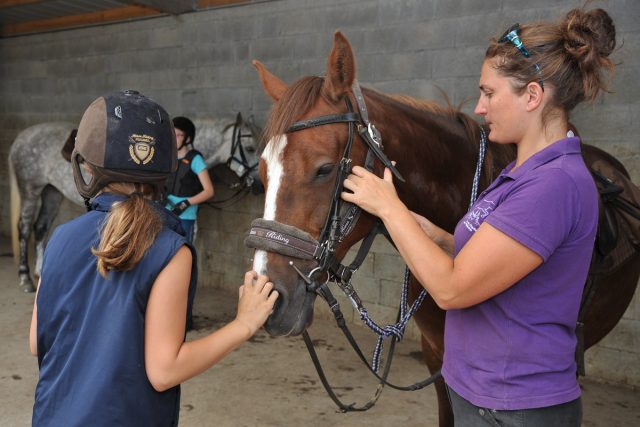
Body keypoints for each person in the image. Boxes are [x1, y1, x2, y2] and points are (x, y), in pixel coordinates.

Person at [342, 6, 616, 427]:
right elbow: (490, 259)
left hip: (516, 406)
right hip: (482, 394)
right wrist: (429, 232)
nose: (480, 108)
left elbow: (452, 289)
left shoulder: (552, 185)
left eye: (489, 93)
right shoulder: (519, 173)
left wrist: (390, 207)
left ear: (532, 96)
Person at [29, 90, 278, 427]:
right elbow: (164, 371)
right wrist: (243, 325)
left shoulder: (59, 238)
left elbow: (36, 341)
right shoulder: (169, 250)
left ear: (87, 163)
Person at [165, 116, 215, 244]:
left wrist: (185, 204)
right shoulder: (168, 157)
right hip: (165, 213)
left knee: (183, 252)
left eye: (178, 135)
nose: (173, 138)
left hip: (185, 217)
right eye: (171, 134)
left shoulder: (195, 159)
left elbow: (209, 191)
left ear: (187, 138)